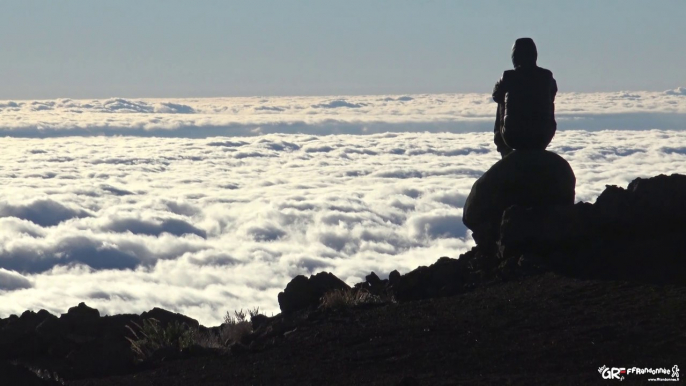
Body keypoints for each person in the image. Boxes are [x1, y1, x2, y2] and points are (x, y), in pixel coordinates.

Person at [492, 38, 557, 157]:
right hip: (542, 137)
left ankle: (505, 151)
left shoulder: (508, 76)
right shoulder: (547, 76)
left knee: (502, 102)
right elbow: (553, 93)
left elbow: (496, 96)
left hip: (513, 138)